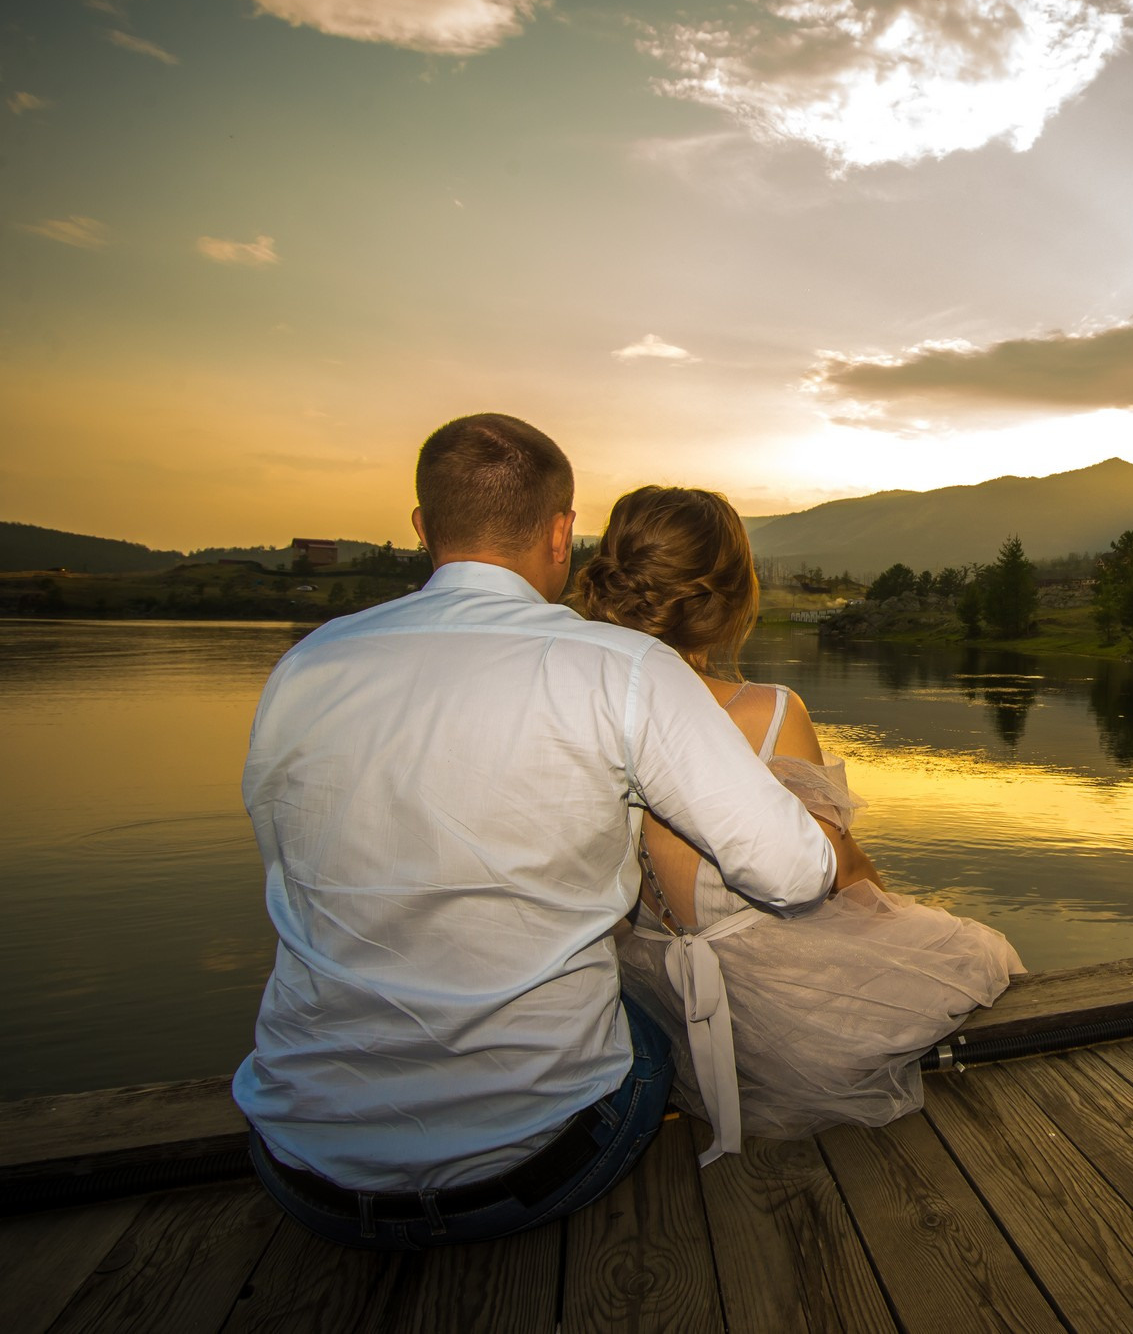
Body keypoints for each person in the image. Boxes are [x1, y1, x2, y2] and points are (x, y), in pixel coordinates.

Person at [234, 414, 843, 1250]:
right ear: (563, 532)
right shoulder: (621, 668)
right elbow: (796, 873)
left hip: (301, 1165)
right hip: (536, 1165)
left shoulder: (307, 667)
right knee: (653, 1007)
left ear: (423, 529)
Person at [573, 486, 1022, 1163]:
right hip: (768, 1002)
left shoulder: (576, 710)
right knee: (976, 953)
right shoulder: (769, 709)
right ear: (730, 597)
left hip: (651, 982)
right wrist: (897, 930)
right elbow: (840, 870)